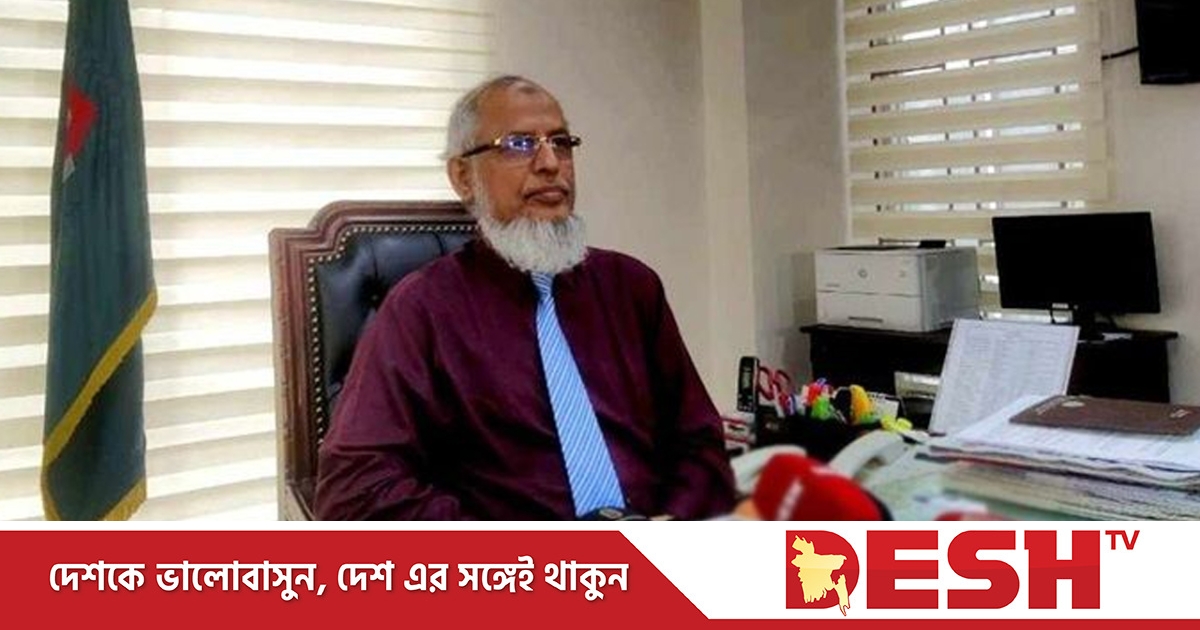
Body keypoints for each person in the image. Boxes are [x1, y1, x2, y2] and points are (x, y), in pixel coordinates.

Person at [314, 75, 735, 520]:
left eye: (561, 142)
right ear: (463, 177)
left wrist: (675, 523)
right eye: (519, 144)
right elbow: (355, 490)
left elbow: (699, 442)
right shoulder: (421, 310)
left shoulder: (632, 287)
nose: (551, 163)